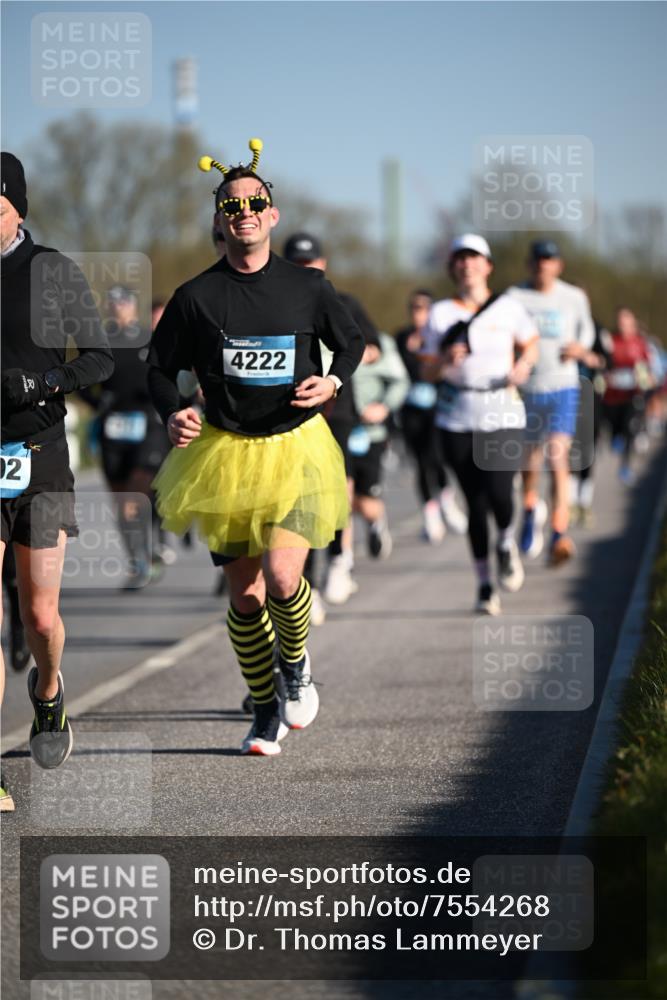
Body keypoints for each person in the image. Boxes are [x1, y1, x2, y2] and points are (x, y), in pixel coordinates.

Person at [147, 140, 364, 755]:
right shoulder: (196, 297)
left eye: (255, 201)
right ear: (219, 219)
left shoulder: (309, 287)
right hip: (224, 454)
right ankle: (265, 707)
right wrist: (173, 412)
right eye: (231, 204)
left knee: (281, 574)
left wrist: (334, 379)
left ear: (273, 214)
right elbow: (158, 371)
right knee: (244, 597)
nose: (244, 211)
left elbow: (350, 345)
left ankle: (295, 665)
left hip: (295, 448)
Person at [1, 152, 113, 799]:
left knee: (40, 617)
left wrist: (46, 380)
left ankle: (48, 689)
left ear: (17, 206)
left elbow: (99, 356)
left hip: (38, 458)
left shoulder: (51, 272)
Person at [422, 234, 538, 615]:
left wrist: (523, 365)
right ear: (452, 267)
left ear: (487, 265)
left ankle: (506, 540)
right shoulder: (440, 313)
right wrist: (443, 361)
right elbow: (426, 369)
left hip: (501, 410)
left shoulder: (508, 307)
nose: (467, 264)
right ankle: (485, 584)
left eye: (474, 258)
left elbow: (532, 343)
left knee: (501, 493)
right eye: (460, 258)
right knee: (475, 503)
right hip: (457, 416)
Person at [281, 232, 378, 605]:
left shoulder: (343, 301)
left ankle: (340, 559)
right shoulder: (276, 299)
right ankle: (308, 581)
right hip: (295, 408)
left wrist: (335, 368)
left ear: (324, 264)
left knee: (339, 487)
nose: (306, 269)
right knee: (302, 497)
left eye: (311, 263)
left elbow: (370, 347)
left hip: (338, 405)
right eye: (298, 263)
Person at [508, 240, 595, 566]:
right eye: (538, 260)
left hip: (563, 386)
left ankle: (559, 531)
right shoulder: (515, 297)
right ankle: (530, 507)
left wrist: (580, 347)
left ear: (558, 265)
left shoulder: (573, 296)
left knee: (558, 457)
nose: (543, 265)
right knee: (530, 461)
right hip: (529, 389)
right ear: (530, 264)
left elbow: (586, 331)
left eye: (550, 260)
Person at [81, 286, 171, 588]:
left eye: (124, 303)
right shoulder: (98, 341)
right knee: (122, 503)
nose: (119, 308)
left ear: (133, 307)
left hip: (148, 425)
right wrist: (97, 403)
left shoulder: (151, 338)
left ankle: (152, 548)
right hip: (112, 429)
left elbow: (169, 373)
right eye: (114, 303)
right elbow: (79, 378)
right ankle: (139, 559)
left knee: (137, 495)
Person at [395, 289, 468, 543]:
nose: (418, 313)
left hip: (437, 407)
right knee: (421, 462)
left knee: (437, 458)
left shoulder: (439, 338)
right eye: (414, 308)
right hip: (411, 409)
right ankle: (430, 513)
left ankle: (447, 501)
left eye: (423, 308)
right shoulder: (401, 338)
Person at [351, 329, 410, 558]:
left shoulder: (378, 342)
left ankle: (375, 521)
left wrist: (384, 407)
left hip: (369, 433)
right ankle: (341, 562)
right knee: (339, 498)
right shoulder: (323, 341)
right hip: (334, 432)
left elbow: (400, 381)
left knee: (366, 501)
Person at [602, 307, 654, 484]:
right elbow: (604, 364)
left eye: (626, 322)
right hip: (612, 395)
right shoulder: (611, 341)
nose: (623, 325)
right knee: (614, 426)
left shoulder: (640, 343)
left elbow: (648, 368)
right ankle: (615, 435)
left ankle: (625, 466)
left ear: (633, 323)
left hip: (633, 394)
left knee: (629, 428)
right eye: (620, 322)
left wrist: (646, 378)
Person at [570, 319, 612, 526]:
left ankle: (583, 503)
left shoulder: (597, 329)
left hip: (591, 397)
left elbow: (609, 361)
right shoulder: (564, 326)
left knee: (587, 450)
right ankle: (567, 503)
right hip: (565, 396)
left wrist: (594, 359)